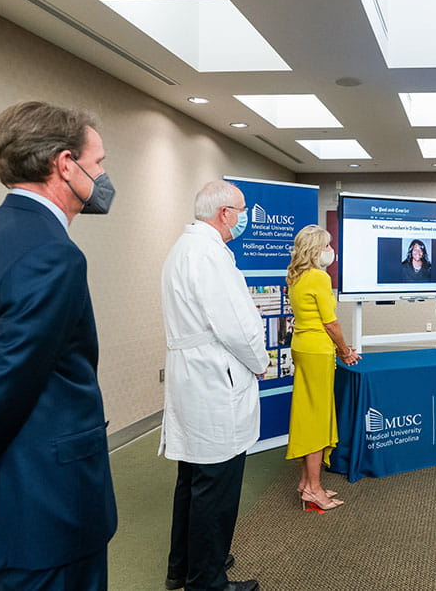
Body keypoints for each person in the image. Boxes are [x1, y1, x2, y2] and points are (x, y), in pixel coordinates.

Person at [0, 101, 117, 589]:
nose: (103, 177)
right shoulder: (55, 255)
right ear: (64, 164)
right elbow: (0, 393)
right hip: (43, 517)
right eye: (98, 164)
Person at [160, 180, 268, 591]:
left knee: (192, 480)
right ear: (225, 213)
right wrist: (261, 363)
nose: (244, 219)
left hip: (194, 378)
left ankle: (183, 567)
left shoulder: (184, 249)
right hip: (213, 379)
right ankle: (207, 581)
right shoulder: (209, 256)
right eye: (242, 211)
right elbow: (238, 326)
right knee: (216, 487)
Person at [286, 225, 360, 511]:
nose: (331, 251)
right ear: (316, 249)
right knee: (316, 419)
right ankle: (315, 489)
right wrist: (345, 352)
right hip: (317, 350)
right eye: (327, 245)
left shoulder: (295, 274)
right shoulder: (318, 276)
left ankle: (306, 483)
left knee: (308, 414)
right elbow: (330, 323)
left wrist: (341, 348)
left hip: (302, 347)